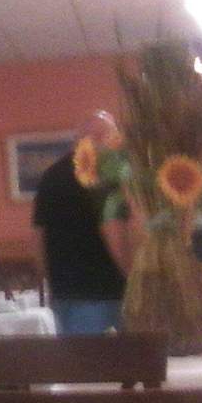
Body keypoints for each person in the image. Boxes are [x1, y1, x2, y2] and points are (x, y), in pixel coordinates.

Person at [33, 111, 131, 335]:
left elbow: (37, 236)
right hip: (107, 291)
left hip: (65, 291)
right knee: (120, 356)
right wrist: (133, 277)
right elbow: (113, 232)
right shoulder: (108, 175)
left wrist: (49, 283)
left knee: (77, 357)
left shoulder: (52, 175)